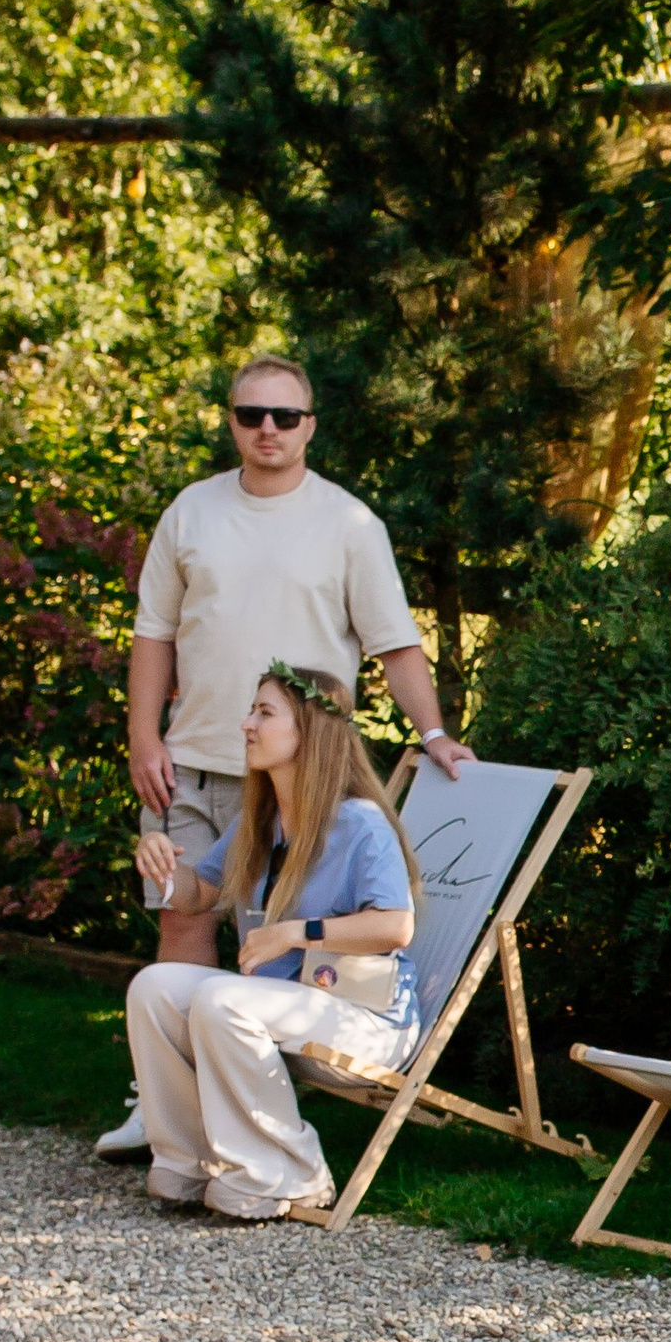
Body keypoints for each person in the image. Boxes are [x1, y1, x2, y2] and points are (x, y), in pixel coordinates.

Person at [96, 354, 471, 1160]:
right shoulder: (191, 513)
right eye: (251, 414)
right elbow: (153, 635)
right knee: (182, 919)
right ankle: (164, 1105)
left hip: (303, 779)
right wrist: (142, 737)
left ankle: (251, 1123)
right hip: (195, 759)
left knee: (285, 948)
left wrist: (434, 733)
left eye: (285, 417)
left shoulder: (349, 524)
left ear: (310, 426)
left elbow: (395, 643)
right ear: (231, 419)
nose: (268, 429)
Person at [126, 663, 423, 1221]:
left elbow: (394, 926)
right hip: (285, 1005)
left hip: (365, 1018)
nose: (247, 725)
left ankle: (289, 1172)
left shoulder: (358, 822)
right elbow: (199, 895)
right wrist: (163, 869)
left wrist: (297, 933)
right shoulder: (260, 821)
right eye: (251, 711)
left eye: (264, 713)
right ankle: (192, 1159)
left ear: (308, 731)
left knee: (223, 999)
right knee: (155, 987)